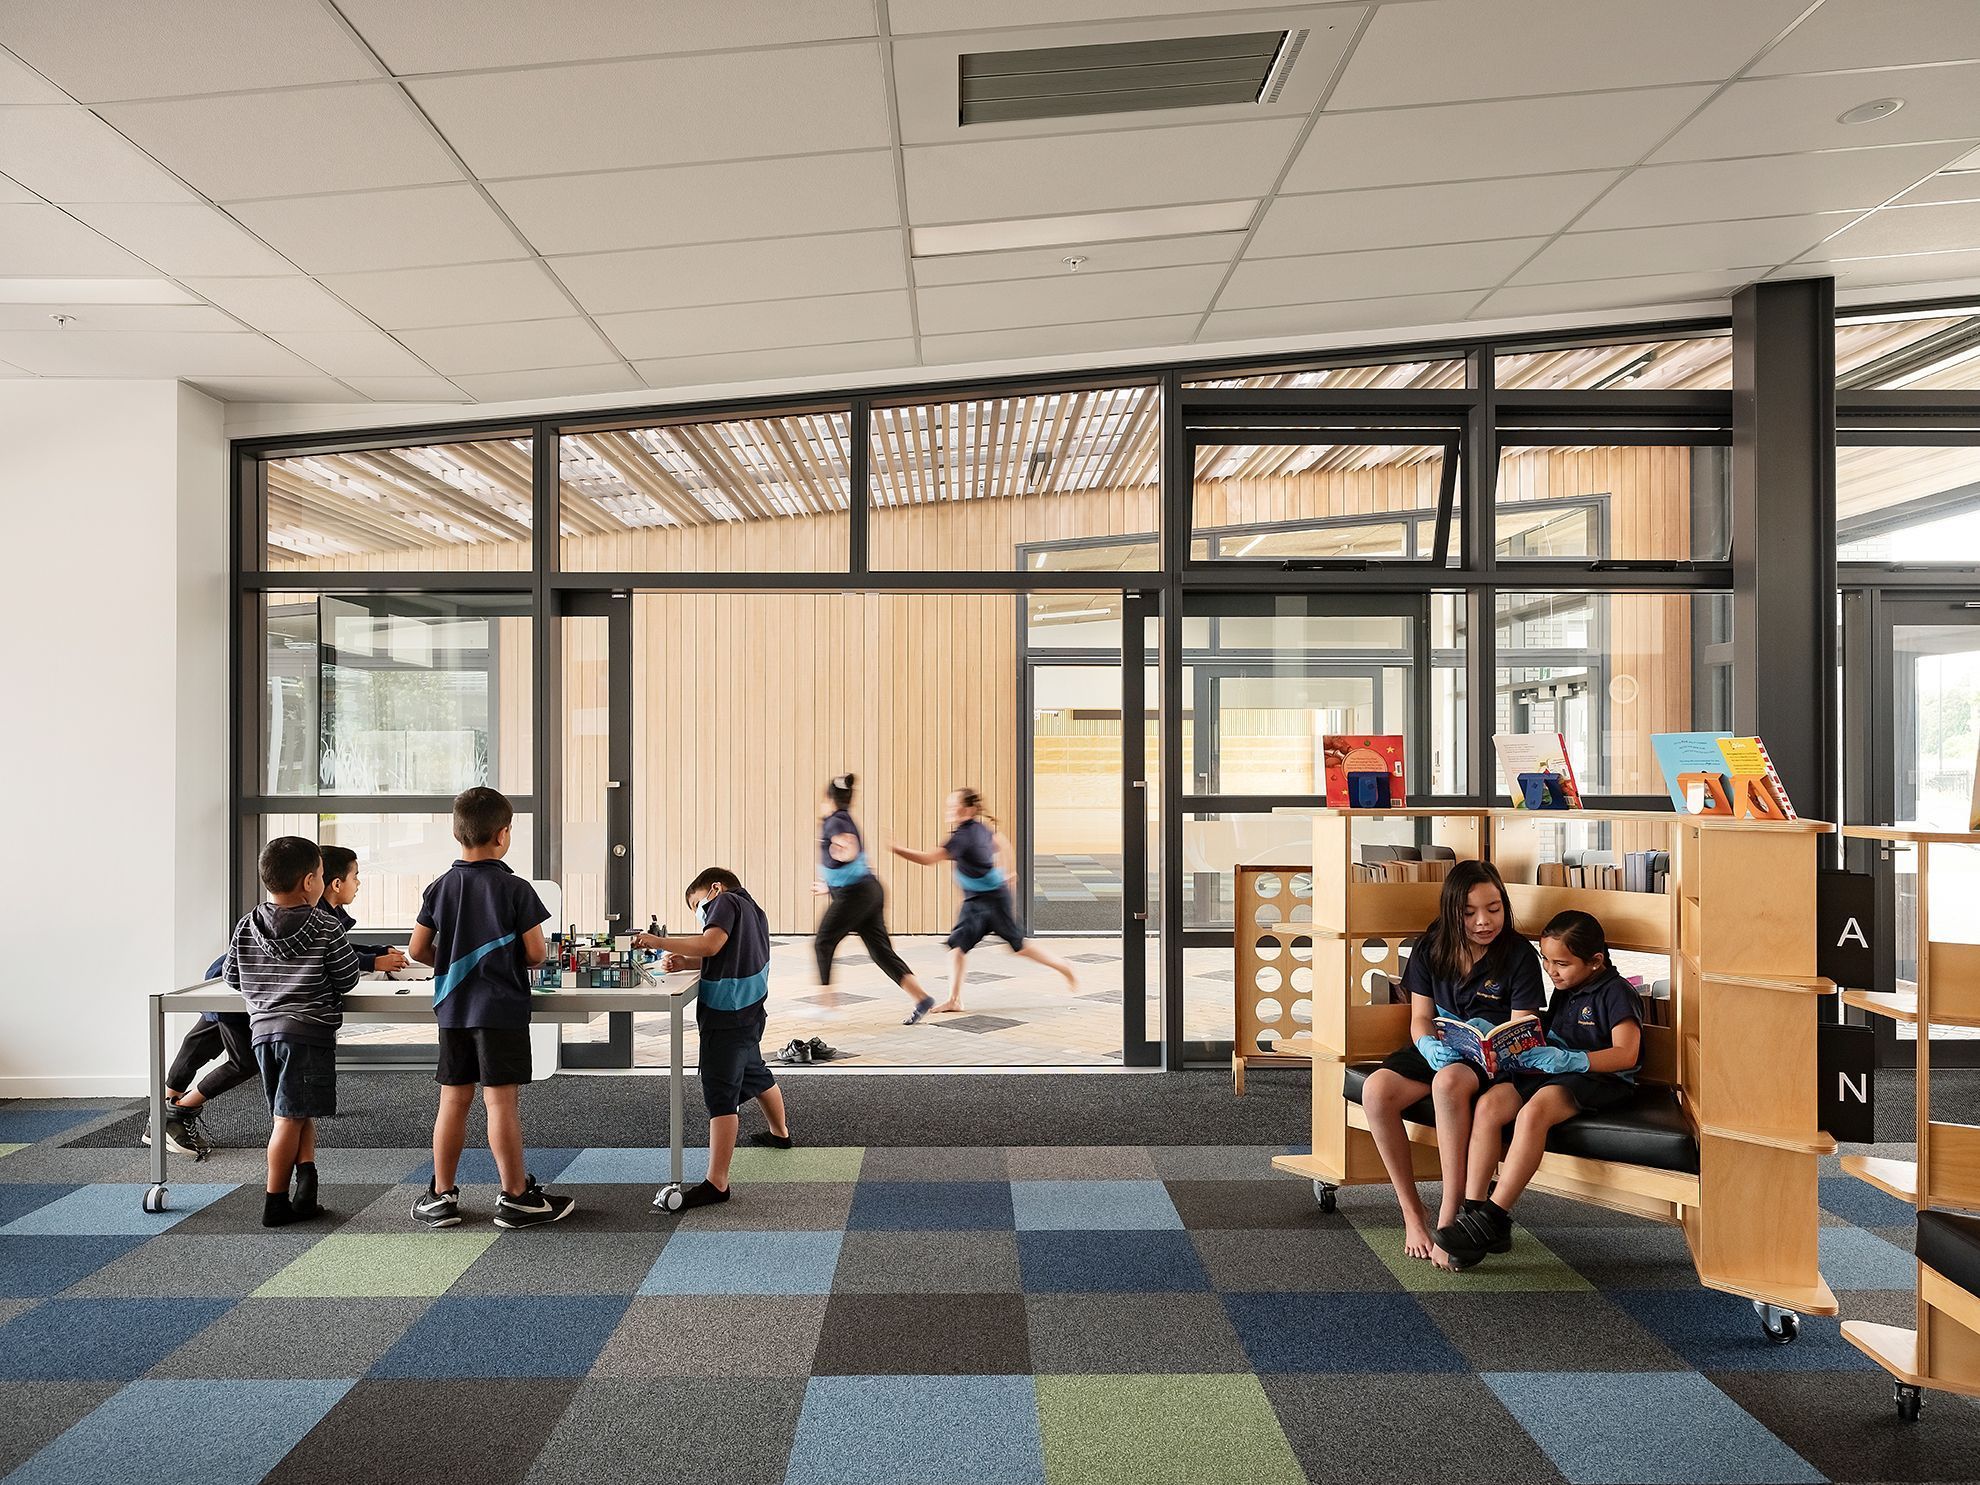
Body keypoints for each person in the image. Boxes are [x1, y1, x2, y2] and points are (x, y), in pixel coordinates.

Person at [1357, 859, 1545, 1268]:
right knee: (1376, 1091)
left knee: (1449, 1083)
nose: (1484, 922)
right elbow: (1420, 1018)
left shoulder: (1519, 955)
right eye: (1470, 913)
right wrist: (1426, 1044)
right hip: (1442, 1045)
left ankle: (1448, 1216)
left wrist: (1489, 1046)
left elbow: (1523, 1028)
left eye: (1494, 909)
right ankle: (1412, 1214)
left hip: (1490, 1058)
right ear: (1452, 912)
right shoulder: (1430, 946)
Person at [407, 786, 573, 1230]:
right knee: (501, 1106)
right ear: (503, 835)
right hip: (501, 1010)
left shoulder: (440, 887)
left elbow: (417, 949)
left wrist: (452, 961)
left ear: (457, 833)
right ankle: (516, 1197)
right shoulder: (515, 888)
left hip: (454, 1009)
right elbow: (536, 954)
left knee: (453, 1101)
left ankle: (441, 1196)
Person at [1438, 910, 1643, 1269]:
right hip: (1556, 1069)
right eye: (1546, 960)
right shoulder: (1568, 988)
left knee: (1534, 1112)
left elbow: (1626, 1054)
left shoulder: (1616, 993)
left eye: (1561, 963)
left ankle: (1492, 1218)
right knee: (1489, 1105)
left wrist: (1571, 1060)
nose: (1551, 971)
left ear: (1595, 961)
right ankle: (1472, 1214)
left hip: (1599, 1077)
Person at [635, 868, 793, 1210]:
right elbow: (724, 953)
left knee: (721, 1094)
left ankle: (716, 1183)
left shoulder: (724, 902)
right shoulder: (754, 911)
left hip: (727, 1015)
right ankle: (780, 1133)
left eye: (697, 906)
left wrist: (658, 941)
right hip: (750, 1010)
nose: (701, 914)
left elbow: (711, 942)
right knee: (754, 1070)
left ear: (715, 889)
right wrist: (688, 961)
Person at [224, 836, 359, 1228]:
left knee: (295, 1113)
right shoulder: (323, 925)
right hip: (307, 1035)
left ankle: (306, 1188)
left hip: (264, 1034)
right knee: (288, 1118)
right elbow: (348, 978)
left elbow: (233, 978)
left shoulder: (248, 923)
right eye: (320, 874)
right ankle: (275, 1201)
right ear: (308, 882)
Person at [889, 787, 1076, 1014]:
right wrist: (1010, 872)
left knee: (1018, 947)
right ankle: (954, 1000)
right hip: (978, 901)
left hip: (992, 901)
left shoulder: (962, 836)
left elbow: (928, 859)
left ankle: (1063, 966)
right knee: (957, 947)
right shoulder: (981, 828)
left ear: (968, 809)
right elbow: (1003, 842)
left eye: (953, 806)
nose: (948, 810)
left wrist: (897, 849)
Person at [813, 774, 935, 1025]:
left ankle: (827, 1006)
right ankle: (922, 998)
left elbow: (848, 845)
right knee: (880, 952)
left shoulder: (835, 820)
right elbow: (847, 861)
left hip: (856, 894)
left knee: (823, 942)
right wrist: (830, 884)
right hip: (869, 891)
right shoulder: (844, 818)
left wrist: (844, 849)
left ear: (828, 798)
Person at [144, 951, 246, 1158]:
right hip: (237, 980)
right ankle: (175, 1112)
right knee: (245, 1061)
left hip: (236, 979)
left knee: (200, 1043)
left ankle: (160, 1120)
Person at [318, 845, 410, 976]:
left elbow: (342, 950)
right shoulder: (320, 921)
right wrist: (374, 962)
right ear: (337, 884)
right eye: (354, 877)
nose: (358, 883)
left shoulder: (332, 912)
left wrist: (378, 952)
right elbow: (333, 958)